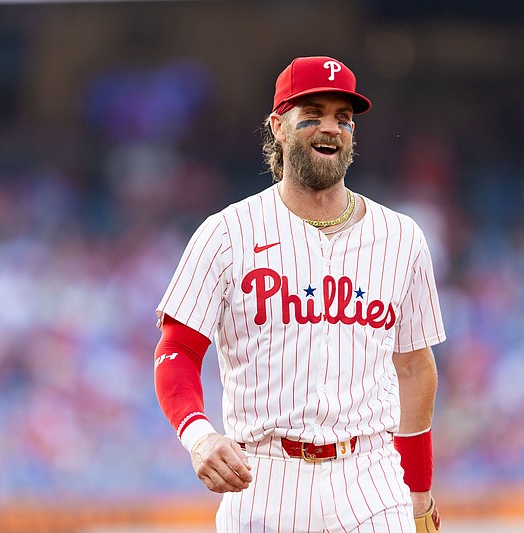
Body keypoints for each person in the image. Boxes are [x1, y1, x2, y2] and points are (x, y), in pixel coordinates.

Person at [154, 55, 445, 533]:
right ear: (279, 127)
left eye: (342, 118)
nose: (329, 128)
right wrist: (199, 436)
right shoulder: (227, 233)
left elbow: (414, 365)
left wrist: (418, 490)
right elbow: (178, 350)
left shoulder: (402, 237)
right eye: (311, 114)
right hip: (263, 476)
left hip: (370, 474)